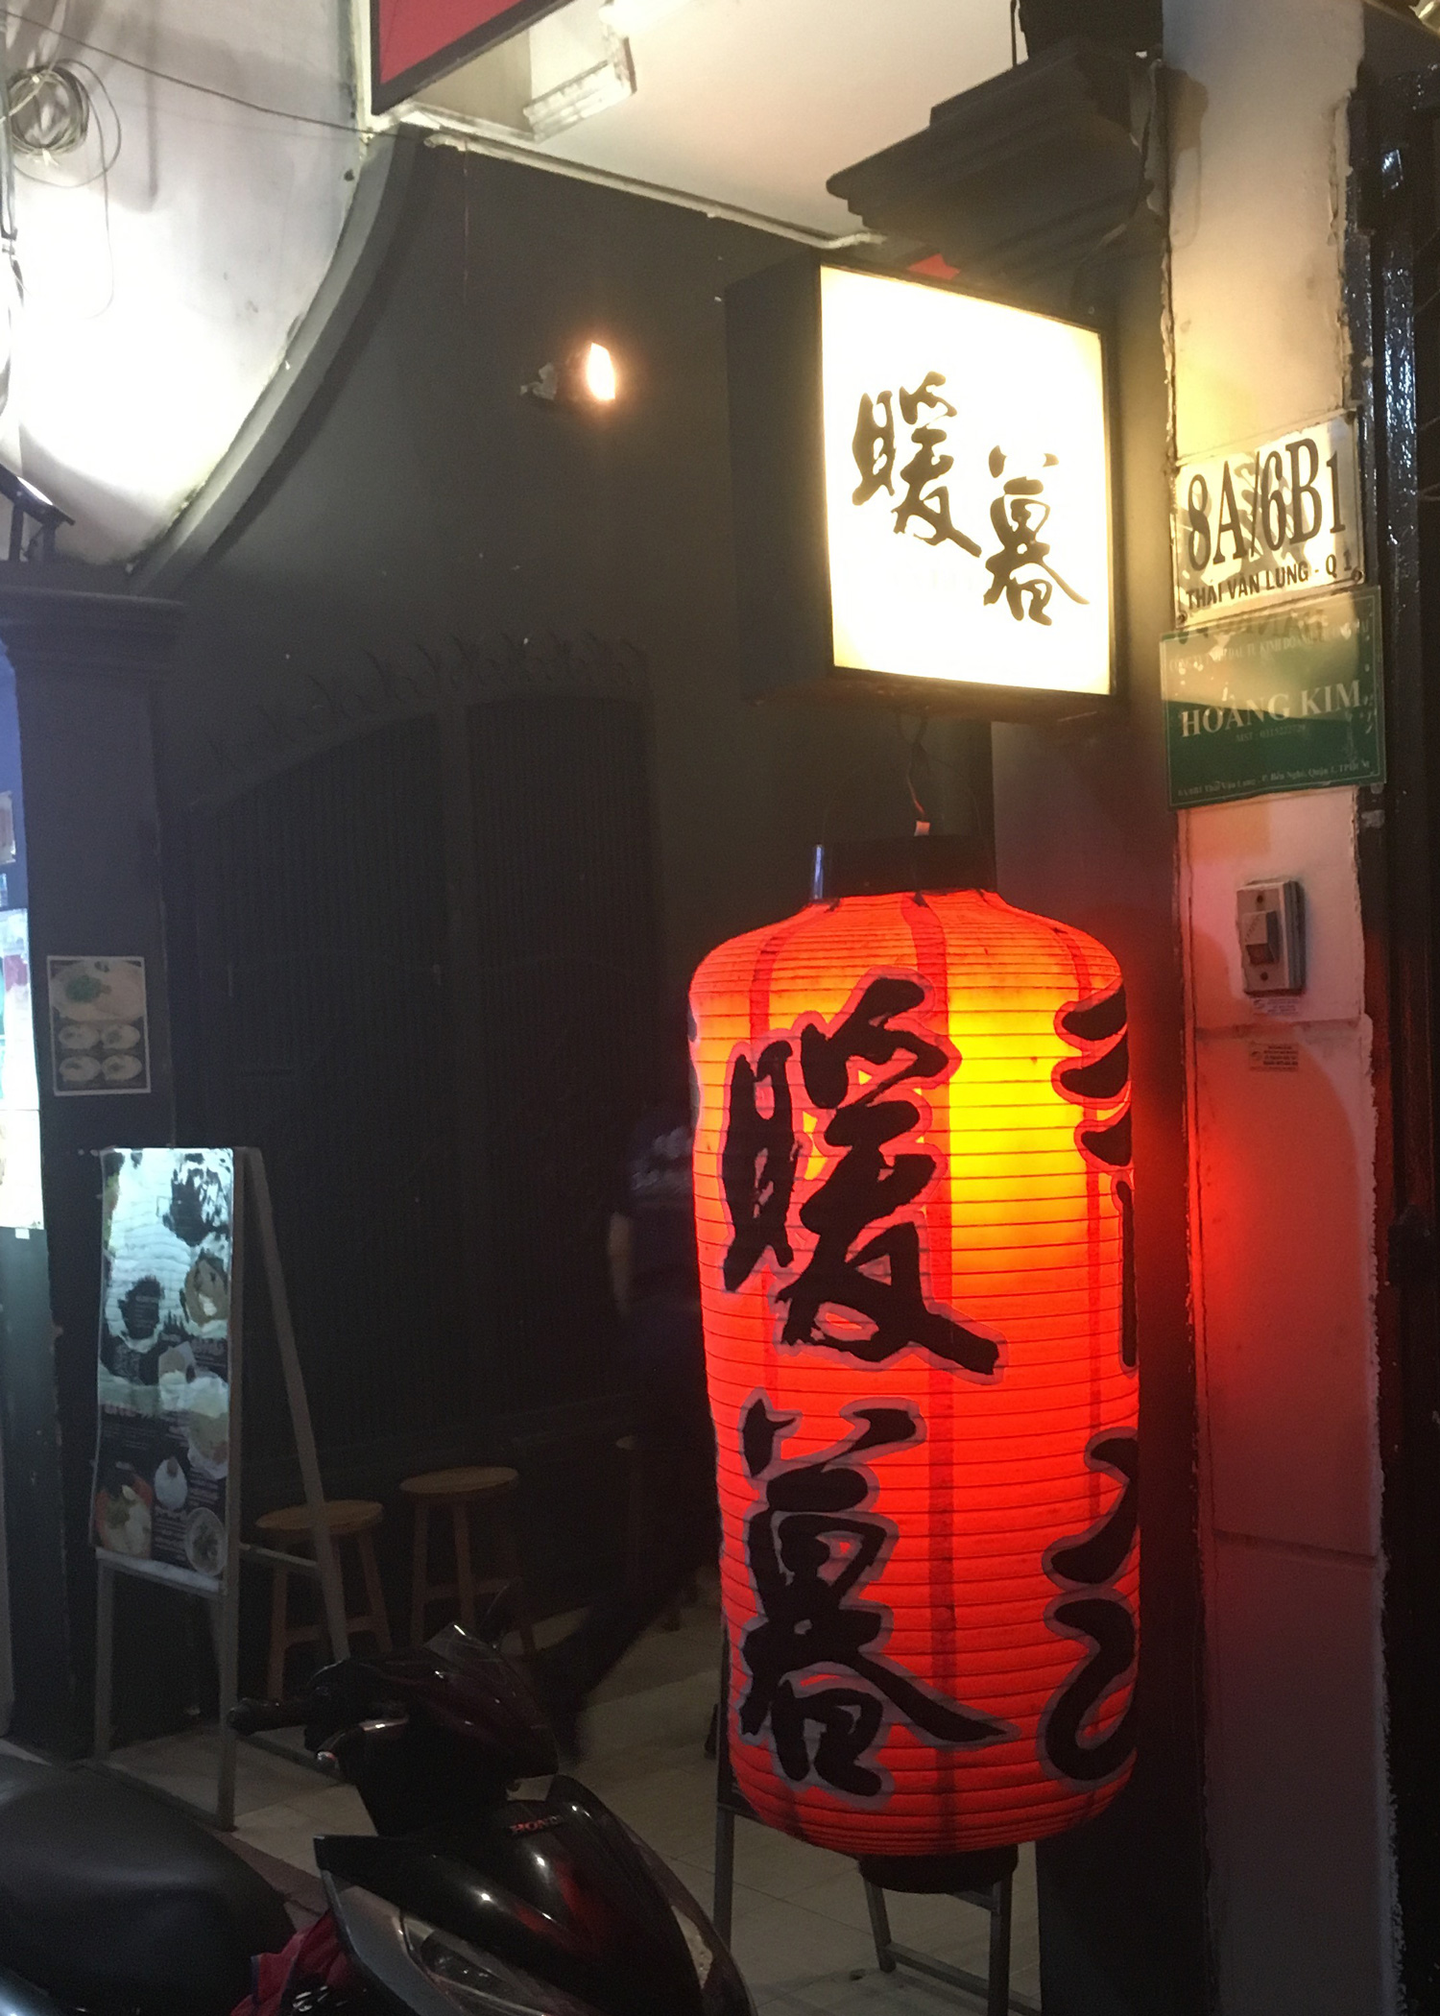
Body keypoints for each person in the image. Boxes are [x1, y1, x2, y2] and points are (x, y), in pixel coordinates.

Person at [530, 999, 717, 1756]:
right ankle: (745, 1715)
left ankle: (567, 1674)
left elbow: (618, 1246)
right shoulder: (728, 1127)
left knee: (678, 1538)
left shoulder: (648, 1133)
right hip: (714, 1347)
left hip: (652, 1338)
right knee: (742, 1534)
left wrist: (645, 1327)